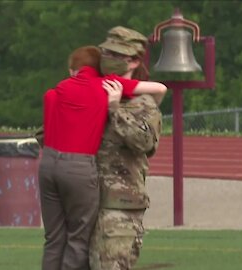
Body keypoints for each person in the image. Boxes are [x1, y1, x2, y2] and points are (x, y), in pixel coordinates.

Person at [38, 44, 166, 270]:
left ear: (72, 69)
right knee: (79, 237)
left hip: (48, 165)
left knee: (54, 238)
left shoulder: (55, 92)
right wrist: (115, 97)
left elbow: (44, 132)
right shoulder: (102, 86)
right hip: (79, 168)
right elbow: (159, 88)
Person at [89, 26, 165, 270]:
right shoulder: (88, 95)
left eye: (118, 56)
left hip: (120, 205)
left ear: (134, 61)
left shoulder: (143, 104)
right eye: (107, 53)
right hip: (83, 201)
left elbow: (144, 143)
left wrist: (115, 111)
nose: (110, 60)